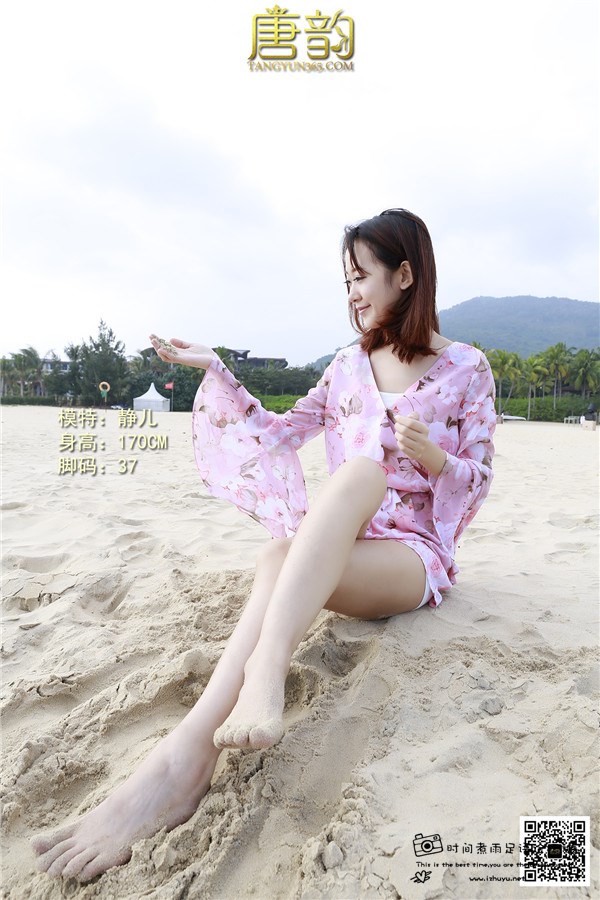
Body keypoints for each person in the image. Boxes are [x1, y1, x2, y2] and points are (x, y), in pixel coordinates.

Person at [32, 208, 496, 881]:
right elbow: (278, 432)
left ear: (405, 274)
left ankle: (261, 672)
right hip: (343, 546)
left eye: (361, 277)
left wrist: (434, 459)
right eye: (345, 282)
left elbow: (478, 479)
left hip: (410, 559)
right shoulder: (346, 367)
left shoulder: (467, 369)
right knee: (279, 554)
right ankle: (184, 756)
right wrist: (216, 368)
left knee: (359, 474)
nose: (352, 294)